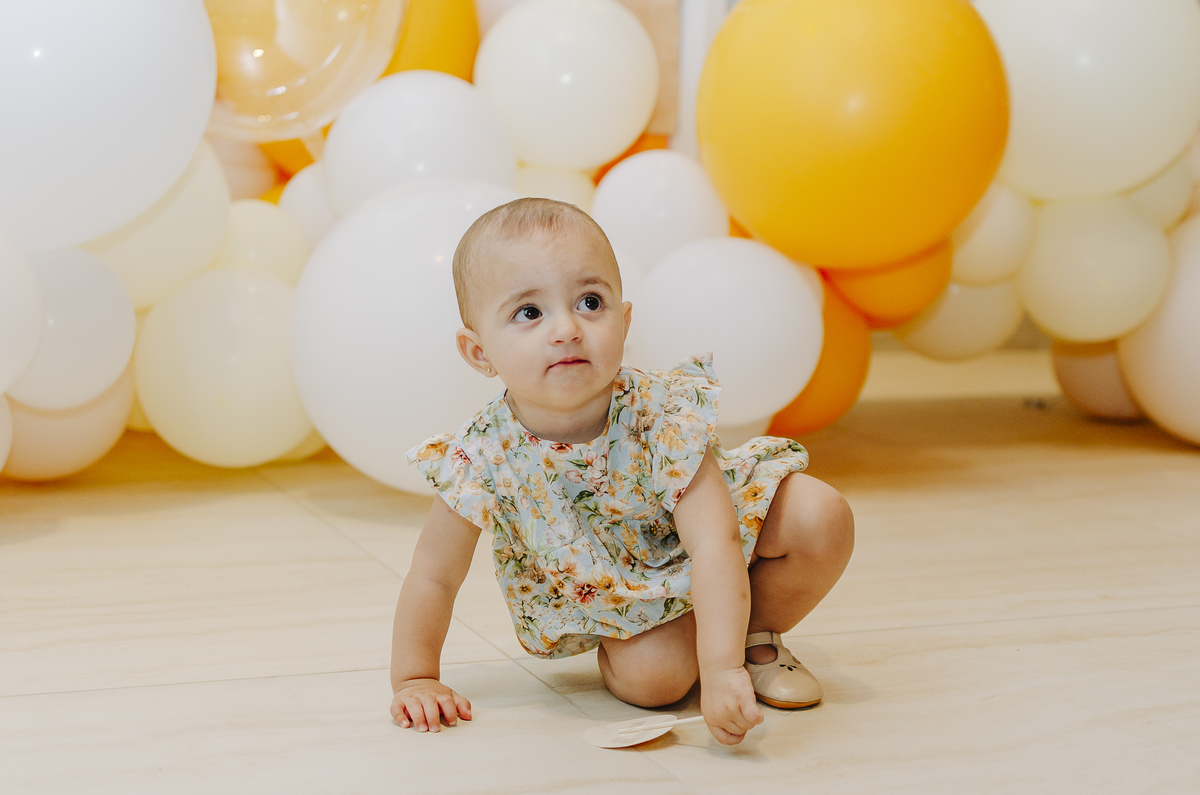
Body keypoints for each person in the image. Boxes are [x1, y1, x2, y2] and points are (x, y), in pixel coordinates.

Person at [389, 198, 854, 746]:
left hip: (710, 549)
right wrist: (414, 678)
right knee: (655, 680)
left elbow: (715, 541)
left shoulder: (659, 412)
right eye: (529, 313)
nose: (566, 328)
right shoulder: (482, 456)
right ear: (479, 351)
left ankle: (752, 638)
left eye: (590, 302)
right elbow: (434, 575)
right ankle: (689, 640)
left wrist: (723, 668)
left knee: (820, 515)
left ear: (624, 320)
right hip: (628, 594)